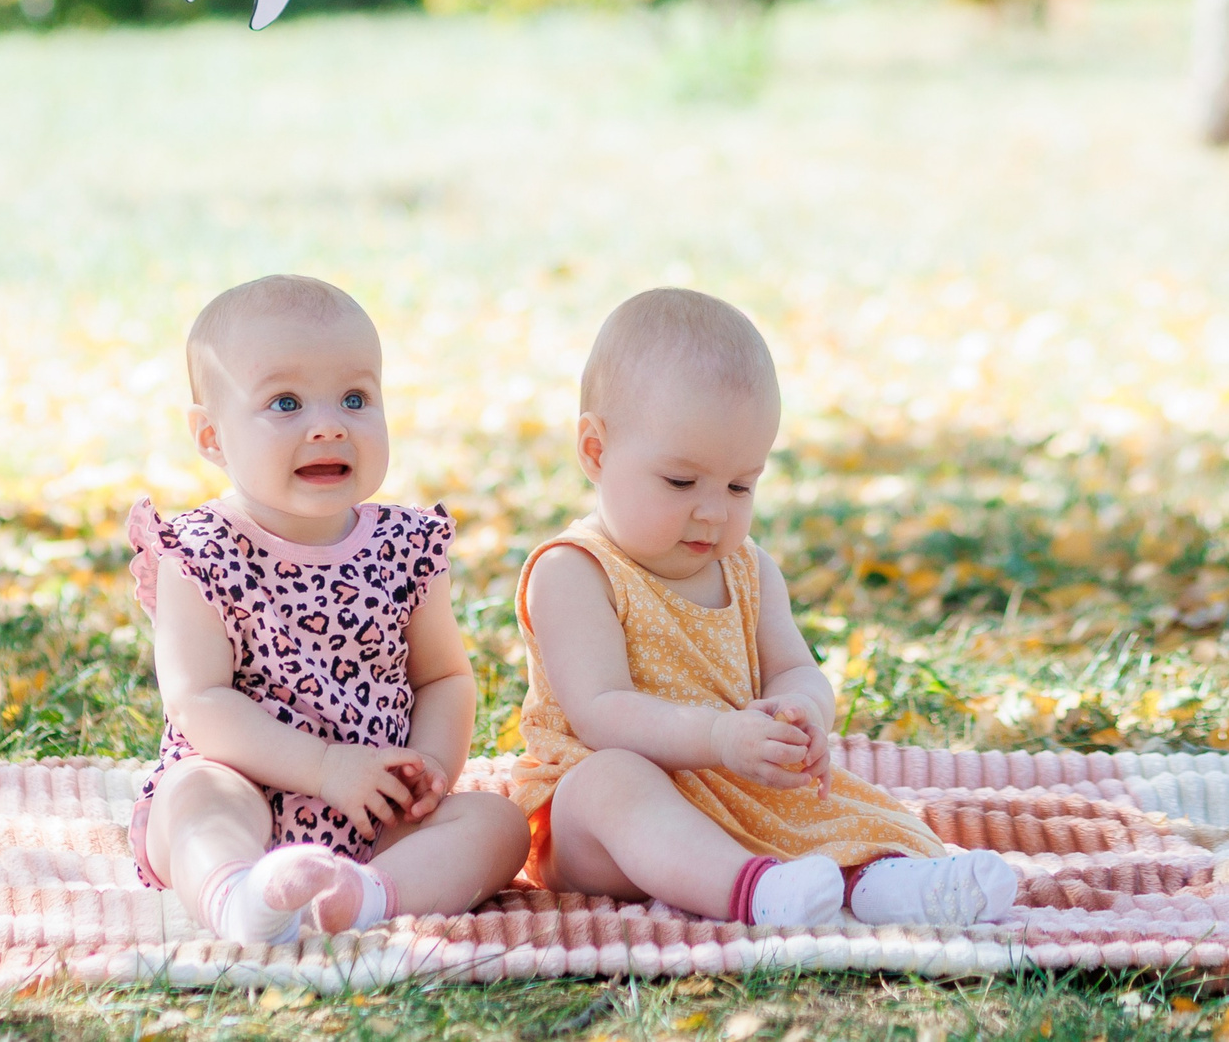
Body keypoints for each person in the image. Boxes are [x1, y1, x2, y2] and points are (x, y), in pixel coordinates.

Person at [513, 287, 1022, 928]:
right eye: (680, 481)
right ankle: (753, 892)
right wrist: (719, 735)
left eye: (739, 484)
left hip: (734, 786)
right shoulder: (575, 570)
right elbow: (601, 714)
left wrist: (803, 709)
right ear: (596, 451)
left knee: (839, 809)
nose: (713, 510)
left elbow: (794, 668)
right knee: (612, 781)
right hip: (596, 820)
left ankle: (882, 884)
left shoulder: (750, 570)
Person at [125, 274, 528, 943]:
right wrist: (322, 767)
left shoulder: (406, 547)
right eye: (285, 402)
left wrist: (428, 766)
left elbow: (444, 677)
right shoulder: (197, 551)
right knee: (192, 799)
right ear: (212, 435)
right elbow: (199, 701)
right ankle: (238, 896)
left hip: (375, 805)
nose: (329, 424)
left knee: (501, 824)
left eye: (354, 396)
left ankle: (366, 895)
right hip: (244, 787)